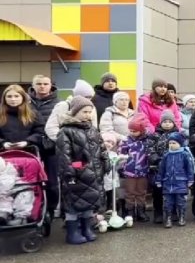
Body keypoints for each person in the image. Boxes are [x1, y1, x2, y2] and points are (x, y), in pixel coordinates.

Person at [56, 97, 108, 245]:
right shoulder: (66, 131)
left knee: (89, 202)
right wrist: (74, 169)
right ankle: (72, 232)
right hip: (76, 175)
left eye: (90, 112)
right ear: (75, 112)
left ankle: (87, 229)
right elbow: (64, 155)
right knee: (73, 204)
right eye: (84, 111)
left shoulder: (92, 130)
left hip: (93, 174)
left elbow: (101, 147)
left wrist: (105, 161)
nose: (88, 115)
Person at [29, 75, 60, 214]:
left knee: (52, 182)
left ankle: (51, 210)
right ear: (33, 86)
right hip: (31, 147)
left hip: (52, 148)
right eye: (39, 83)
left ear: (51, 86)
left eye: (45, 83)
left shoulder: (59, 104)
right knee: (31, 181)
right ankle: (34, 208)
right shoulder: (26, 103)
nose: (42, 86)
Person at [155, 132, 195, 228]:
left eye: (174, 143)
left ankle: (181, 217)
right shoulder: (166, 155)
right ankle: (168, 218)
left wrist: (190, 180)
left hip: (180, 182)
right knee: (168, 202)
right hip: (168, 182)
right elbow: (162, 169)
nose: (172, 145)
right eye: (170, 143)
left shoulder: (184, 154)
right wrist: (159, 180)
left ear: (180, 144)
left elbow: (189, 168)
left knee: (181, 201)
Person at [119, 114, 152, 222]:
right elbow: (121, 153)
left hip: (143, 171)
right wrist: (123, 164)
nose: (132, 133)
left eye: (135, 131)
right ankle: (130, 211)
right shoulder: (126, 140)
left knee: (141, 192)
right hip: (129, 171)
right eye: (130, 130)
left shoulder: (147, 141)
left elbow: (150, 153)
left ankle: (141, 211)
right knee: (130, 192)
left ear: (141, 130)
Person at [148, 110, 179, 224]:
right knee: (158, 191)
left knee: (174, 190)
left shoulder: (177, 135)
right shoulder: (154, 135)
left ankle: (174, 211)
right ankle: (158, 212)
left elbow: (182, 148)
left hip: (174, 168)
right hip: (158, 168)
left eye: (169, 121)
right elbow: (150, 149)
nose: (167, 124)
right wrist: (156, 159)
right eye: (164, 121)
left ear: (173, 122)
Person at [0, 85, 45, 152]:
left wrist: (27, 142)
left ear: (23, 98)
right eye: (9, 96)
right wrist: (3, 143)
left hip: (29, 152)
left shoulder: (33, 114)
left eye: (16, 96)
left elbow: (40, 132)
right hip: (3, 153)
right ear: (4, 98)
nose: (13, 99)